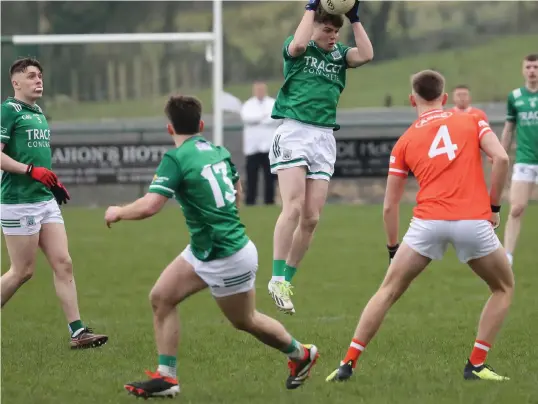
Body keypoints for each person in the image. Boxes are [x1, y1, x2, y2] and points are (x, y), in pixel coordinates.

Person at [104, 95, 319, 399]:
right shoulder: (218, 151)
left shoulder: (176, 159)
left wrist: (118, 212)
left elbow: (151, 205)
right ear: (201, 125)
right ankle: (167, 378)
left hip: (225, 255)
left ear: (170, 129)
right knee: (161, 298)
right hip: (208, 248)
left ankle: (301, 354)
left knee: (246, 320)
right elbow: (238, 189)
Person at [326, 70, 513, 383]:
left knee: (387, 291)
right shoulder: (472, 119)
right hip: (472, 221)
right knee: (503, 287)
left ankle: (347, 363)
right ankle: (476, 365)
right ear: (445, 97)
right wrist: (493, 208)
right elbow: (502, 159)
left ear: (412, 99)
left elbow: (389, 205)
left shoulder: (404, 141)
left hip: (427, 223)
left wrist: (392, 248)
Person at [268, 0, 374, 315]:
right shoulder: (297, 48)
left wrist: (354, 18)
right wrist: (311, 7)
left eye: (335, 31)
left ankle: (286, 280)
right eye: (327, 30)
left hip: (324, 137)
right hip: (294, 131)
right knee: (294, 206)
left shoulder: (340, 55)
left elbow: (366, 54)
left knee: (312, 218)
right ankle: (275, 277)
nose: (332, 36)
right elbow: (300, 42)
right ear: (314, 25)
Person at [0, 57, 108, 349]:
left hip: (44, 200)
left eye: (40, 76)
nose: (38, 80)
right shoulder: (8, 110)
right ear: (16, 82)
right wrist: (29, 171)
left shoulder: (37, 112)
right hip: (18, 202)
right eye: (32, 76)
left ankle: (78, 332)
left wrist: (52, 182)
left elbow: (38, 158)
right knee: (22, 271)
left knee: (64, 263)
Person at [500, 54, 538, 267]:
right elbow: (509, 128)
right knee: (516, 208)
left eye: (536, 67)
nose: (532, 70)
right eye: (529, 67)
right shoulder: (515, 96)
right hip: (525, 160)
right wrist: (501, 153)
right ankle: (507, 257)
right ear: (523, 70)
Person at [240, 81, 278, 205]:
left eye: (262, 90)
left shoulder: (272, 103)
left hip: (268, 147)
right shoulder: (248, 104)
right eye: (257, 90)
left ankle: (269, 201)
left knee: (269, 177)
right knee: (251, 176)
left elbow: (276, 118)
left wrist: (260, 119)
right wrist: (263, 117)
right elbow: (247, 118)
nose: (260, 92)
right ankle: (250, 201)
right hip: (252, 148)